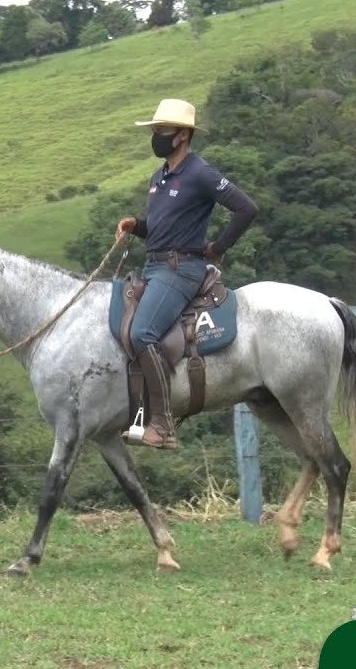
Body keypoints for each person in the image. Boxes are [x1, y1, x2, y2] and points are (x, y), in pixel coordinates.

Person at [115, 98, 259, 449]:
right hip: (155, 265)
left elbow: (246, 208)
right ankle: (136, 415)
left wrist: (219, 247)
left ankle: (162, 426)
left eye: (161, 131)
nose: (156, 137)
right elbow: (164, 229)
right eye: (155, 131)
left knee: (143, 333)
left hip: (181, 270)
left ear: (182, 136)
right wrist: (137, 226)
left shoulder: (200, 173)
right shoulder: (159, 177)